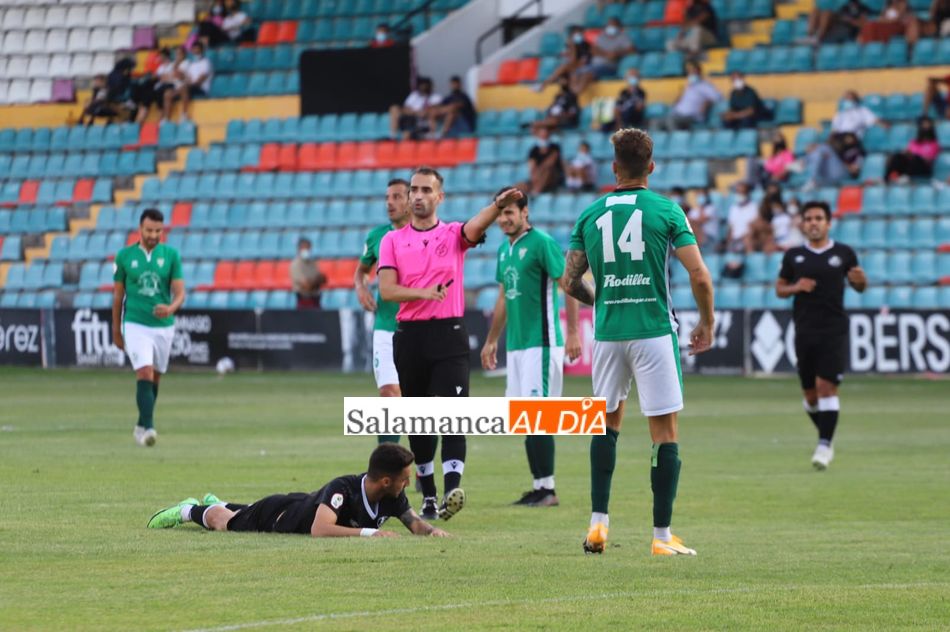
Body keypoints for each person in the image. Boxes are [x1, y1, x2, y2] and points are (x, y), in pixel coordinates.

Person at [561, 128, 715, 556]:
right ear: (651, 166)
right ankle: (662, 537)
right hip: (652, 331)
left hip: (608, 334)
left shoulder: (589, 215)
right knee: (663, 433)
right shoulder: (666, 211)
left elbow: (570, 281)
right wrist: (707, 321)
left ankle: (597, 526)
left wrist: (602, 299)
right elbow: (699, 274)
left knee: (606, 425)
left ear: (614, 168)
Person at [378, 168, 522, 521]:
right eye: (413, 189)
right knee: (420, 422)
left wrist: (496, 205)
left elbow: (476, 226)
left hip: (449, 333)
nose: (417, 195)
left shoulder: (452, 234)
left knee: (454, 414)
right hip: (410, 336)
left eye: (426, 189)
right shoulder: (392, 241)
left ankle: (452, 489)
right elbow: (386, 290)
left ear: (439, 197)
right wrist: (423, 293)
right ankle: (427, 496)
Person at [480, 188, 582, 507]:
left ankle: (548, 489)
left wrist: (575, 332)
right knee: (525, 419)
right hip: (517, 346)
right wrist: (492, 339)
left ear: (525, 213)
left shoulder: (543, 243)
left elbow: (569, 283)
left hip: (542, 342)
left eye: (510, 212)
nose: (505, 219)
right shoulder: (503, 250)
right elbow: (503, 299)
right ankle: (538, 487)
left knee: (540, 417)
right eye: (501, 213)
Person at [146, 443, 450, 538]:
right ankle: (188, 509)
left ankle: (221, 502)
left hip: (299, 503)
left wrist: (433, 531)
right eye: (404, 479)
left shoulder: (392, 496)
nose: (408, 484)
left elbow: (414, 523)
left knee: (238, 512)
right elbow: (320, 529)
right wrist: (371, 534)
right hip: (281, 516)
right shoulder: (342, 488)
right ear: (385, 480)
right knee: (224, 524)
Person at [775, 201, 866, 470]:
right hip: (804, 330)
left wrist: (861, 280)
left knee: (827, 388)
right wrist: (796, 287)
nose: (814, 223)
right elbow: (780, 289)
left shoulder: (844, 253)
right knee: (811, 396)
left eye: (819, 218)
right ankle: (826, 435)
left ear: (828, 223)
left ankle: (824, 445)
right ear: (802, 224)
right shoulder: (793, 256)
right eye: (809, 218)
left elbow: (859, 286)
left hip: (833, 330)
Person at [111, 209, 185, 447]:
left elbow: (180, 292)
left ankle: (142, 423)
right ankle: (150, 428)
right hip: (135, 323)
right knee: (144, 371)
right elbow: (118, 295)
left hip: (163, 326)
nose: (154, 235)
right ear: (140, 229)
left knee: (155, 378)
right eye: (149, 230)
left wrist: (171, 308)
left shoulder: (171, 255)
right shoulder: (124, 256)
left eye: (158, 231)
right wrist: (116, 329)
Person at [355, 179, 411, 443]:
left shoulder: (427, 236)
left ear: (412, 201)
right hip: (386, 326)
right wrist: (361, 286)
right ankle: (389, 472)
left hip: (419, 327)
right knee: (390, 394)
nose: (390, 202)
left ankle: (423, 469)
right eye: (388, 197)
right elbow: (362, 269)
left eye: (398, 197)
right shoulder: (377, 235)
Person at [573, 18, 635, 94]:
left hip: (609, 66)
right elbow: (593, 50)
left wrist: (617, 53)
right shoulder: (601, 36)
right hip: (594, 65)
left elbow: (632, 50)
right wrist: (606, 54)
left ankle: (574, 94)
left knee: (586, 75)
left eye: (613, 25)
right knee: (575, 73)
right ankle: (572, 94)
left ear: (619, 27)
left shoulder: (623, 37)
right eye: (609, 25)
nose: (610, 27)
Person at [664, 61, 720, 130]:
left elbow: (717, 97)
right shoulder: (688, 86)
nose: (691, 75)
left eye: (694, 72)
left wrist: (707, 102)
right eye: (690, 72)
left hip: (692, 116)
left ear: (699, 73)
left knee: (670, 121)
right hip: (678, 114)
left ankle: (676, 139)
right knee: (655, 122)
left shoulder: (704, 86)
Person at [536, 25, 592, 92]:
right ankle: (545, 84)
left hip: (582, 68)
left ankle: (545, 84)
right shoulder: (568, 46)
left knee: (569, 71)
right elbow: (567, 60)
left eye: (580, 34)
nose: (578, 36)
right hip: (570, 68)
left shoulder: (585, 46)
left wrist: (573, 48)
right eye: (575, 34)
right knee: (562, 71)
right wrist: (571, 48)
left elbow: (580, 62)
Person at [885, 116, 940, 182]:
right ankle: (889, 178)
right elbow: (907, 153)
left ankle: (904, 177)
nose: (925, 129)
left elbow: (929, 160)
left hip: (923, 168)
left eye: (927, 126)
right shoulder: (913, 142)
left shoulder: (934, 144)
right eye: (923, 126)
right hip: (910, 164)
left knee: (916, 159)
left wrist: (916, 156)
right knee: (898, 156)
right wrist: (906, 154)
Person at [806, 0, 872, 44]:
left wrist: (850, 20)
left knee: (827, 13)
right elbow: (840, 16)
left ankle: (819, 37)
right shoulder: (845, 7)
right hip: (838, 26)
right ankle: (811, 35)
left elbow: (863, 24)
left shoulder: (863, 8)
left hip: (848, 30)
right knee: (816, 10)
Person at [525, 127, 565, 195]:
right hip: (538, 175)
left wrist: (539, 171)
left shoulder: (554, 147)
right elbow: (531, 165)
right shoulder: (534, 149)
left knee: (547, 170)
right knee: (521, 185)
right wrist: (535, 174)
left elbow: (550, 162)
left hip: (553, 174)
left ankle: (536, 190)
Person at [291, 237, 326, 309]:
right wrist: (315, 282)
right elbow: (306, 286)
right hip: (304, 301)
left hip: (316, 300)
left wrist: (314, 282)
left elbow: (323, 279)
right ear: (299, 249)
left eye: (308, 248)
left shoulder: (312, 263)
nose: (307, 250)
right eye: (304, 248)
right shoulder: (296, 264)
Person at [724, 181, 758, 253]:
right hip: (735, 240)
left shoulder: (753, 207)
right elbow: (731, 227)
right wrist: (729, 242)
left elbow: (754, 227)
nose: (739, 194)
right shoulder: (733, 208)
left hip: (747, 240)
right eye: (738, 192)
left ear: (747, 193)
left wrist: (745, 238)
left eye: (742, 192)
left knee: (748, 242)